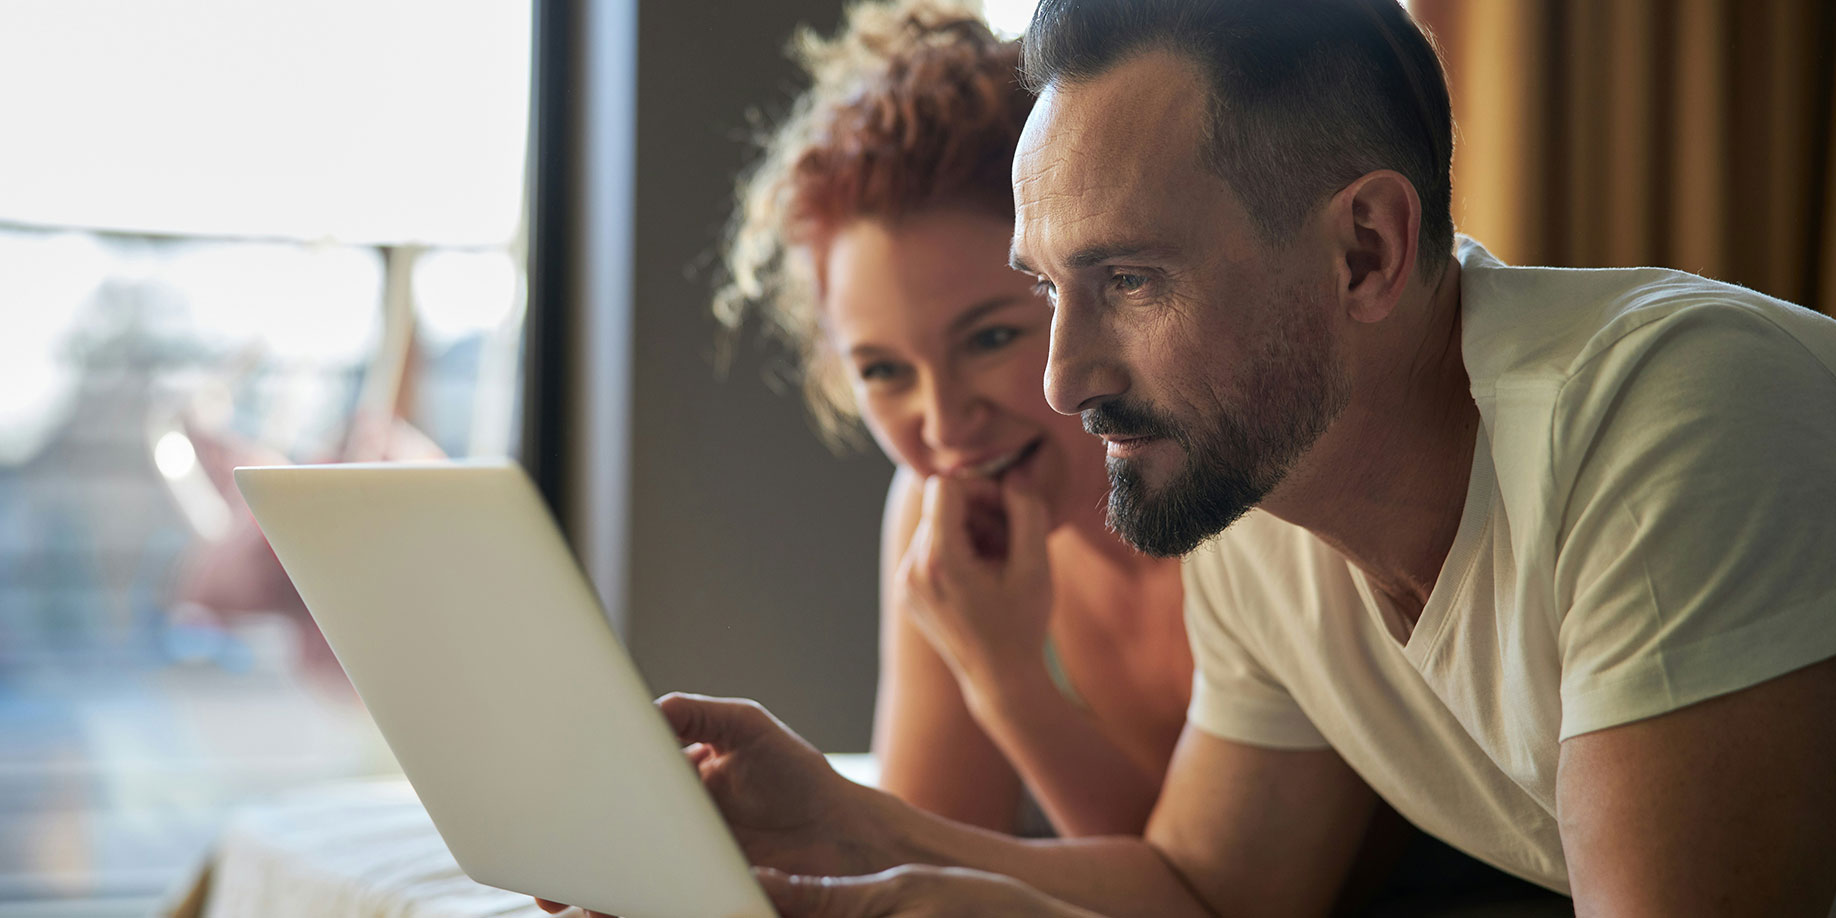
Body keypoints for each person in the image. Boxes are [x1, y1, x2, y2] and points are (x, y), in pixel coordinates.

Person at [554, 0, 1836, 915]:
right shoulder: (1255, 492)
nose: (1063, 378)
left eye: (1131, 279)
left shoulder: (1668, 416)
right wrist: (836, 829)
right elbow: (1208, 889)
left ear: (1367, 254)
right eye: (1048, 289)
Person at [713, 0, 1191, 839]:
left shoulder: (1241, 479)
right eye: (884, 371)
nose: (944, 425)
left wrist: (1007, 679)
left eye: (991, 338)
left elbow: (1217, 884)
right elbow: (931, 846)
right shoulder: (940, 520)